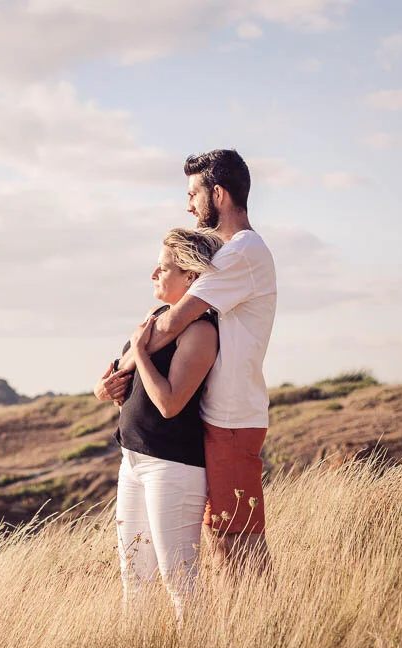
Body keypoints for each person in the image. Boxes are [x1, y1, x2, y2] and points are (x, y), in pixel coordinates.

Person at [123, 149, 277, 575]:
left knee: (236, 541)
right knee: (222, 536)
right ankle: (247, 626)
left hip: (232, 419)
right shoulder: (229, 252)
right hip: (219, 416)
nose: (189, 204)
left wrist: (129, 360)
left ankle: (266, 628)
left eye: (194, 193)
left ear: (220, 194)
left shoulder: (241, 251)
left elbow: (174, 320)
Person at [94, 227, 223, 622]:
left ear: (191, 277)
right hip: (132, 460)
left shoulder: (201, 332)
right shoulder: (156, 319)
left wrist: (141, 353)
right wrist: (105, 388)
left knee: (180, 585)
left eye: (164, 267)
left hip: (173, 467)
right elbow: (122, 380)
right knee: (134, 580)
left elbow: (168, 403)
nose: (154, 273)